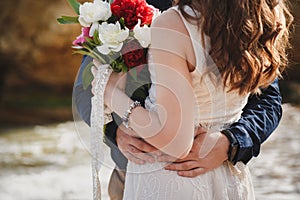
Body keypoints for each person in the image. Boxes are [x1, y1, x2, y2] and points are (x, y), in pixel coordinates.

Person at [73, 0, 292, 199]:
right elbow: (85, 86)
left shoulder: (178, 21)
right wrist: (115, 131)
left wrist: (231, 142)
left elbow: (268, 99)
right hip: (135, 164)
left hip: (180, 173)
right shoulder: (260, 14)